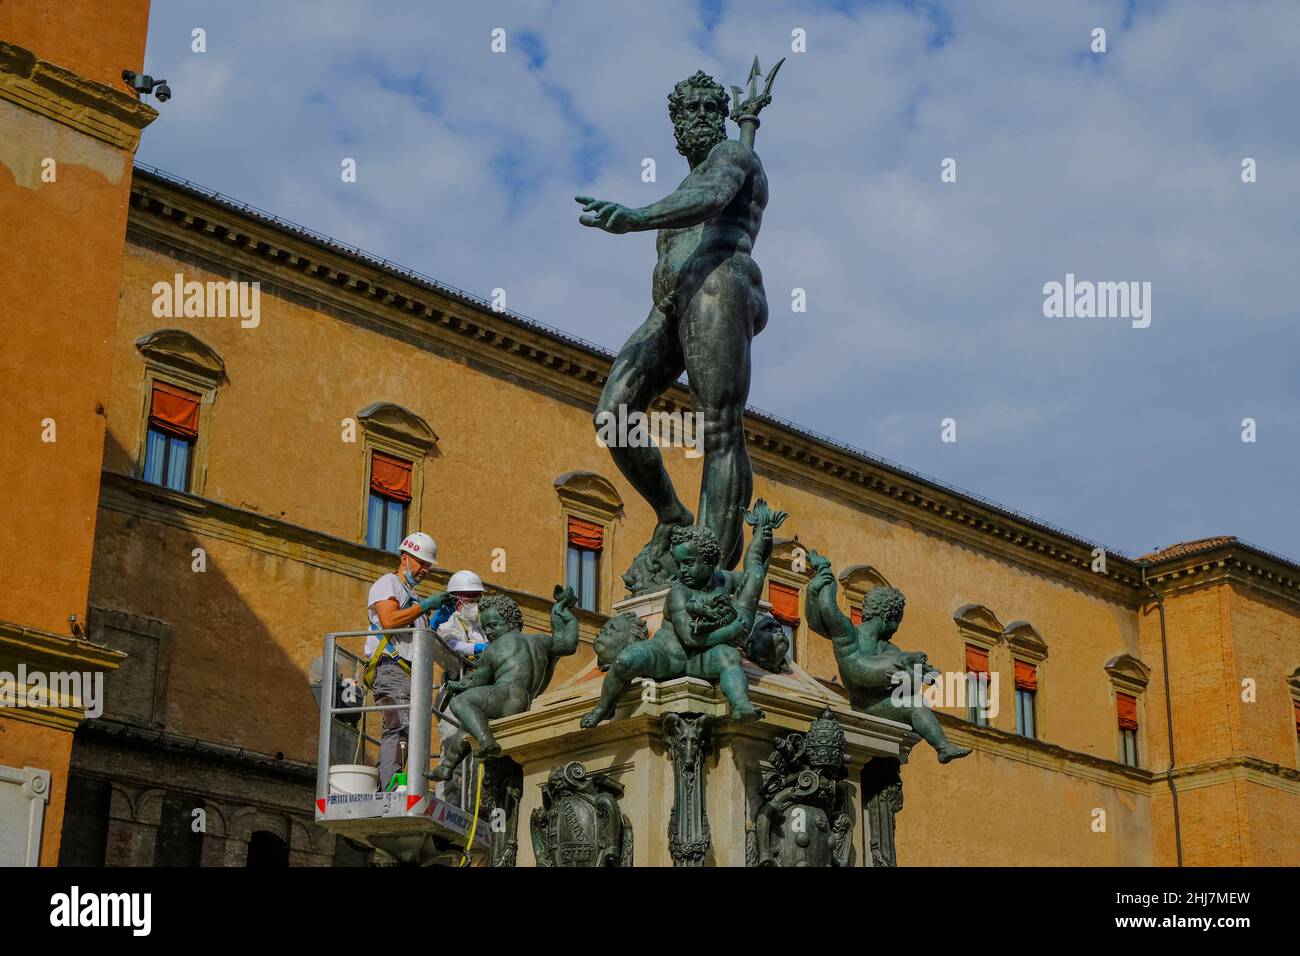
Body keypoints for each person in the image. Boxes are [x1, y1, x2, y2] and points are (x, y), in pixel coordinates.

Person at [364, 532, 454, 791]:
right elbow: (389, 620)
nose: (425, 569)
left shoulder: (410, 596)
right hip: (390, 668)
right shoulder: (388, 583)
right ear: (405, 558)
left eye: (428, 565)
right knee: (399, 725)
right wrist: (425, 606)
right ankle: (392, 786)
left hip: (408, 674)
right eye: (421, 563)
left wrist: (433, 619)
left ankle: (392, 782)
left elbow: (419, 639)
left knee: (406, 729)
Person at [431, 569, 489, 799]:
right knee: (451, 751)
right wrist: (477, 649)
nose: (474, 604)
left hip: (476, 699)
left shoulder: (479, 628)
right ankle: (446, 803)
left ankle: (469, 804)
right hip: (454, 699)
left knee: (474, 756)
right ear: (457, 600)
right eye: (469, 598)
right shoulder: (448, 623)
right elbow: (450, 645)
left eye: (477, 599)